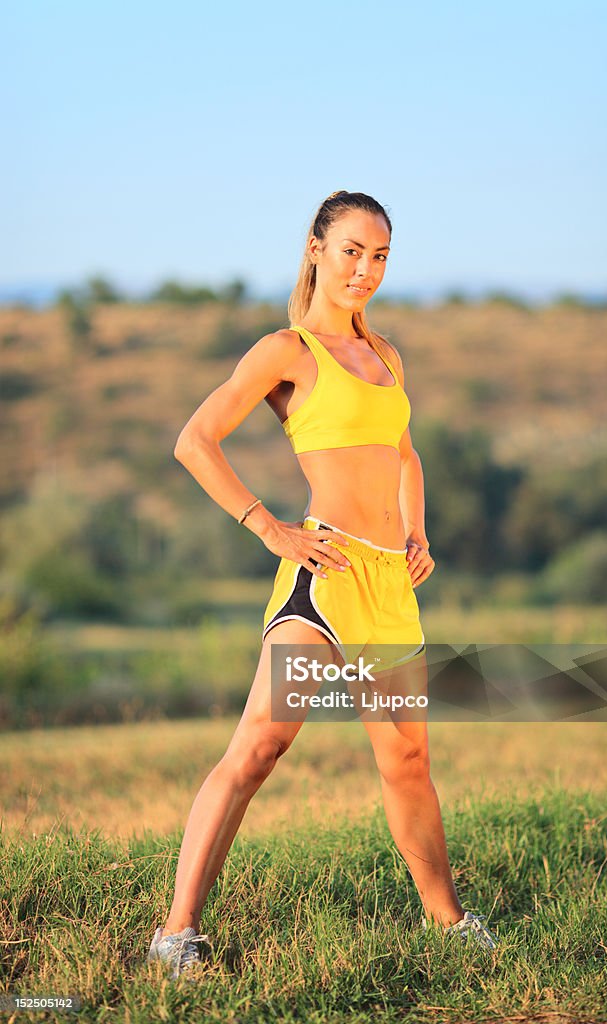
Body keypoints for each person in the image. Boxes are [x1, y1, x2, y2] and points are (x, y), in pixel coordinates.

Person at [147, 190, 497, 978]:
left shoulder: (386, 355)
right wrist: (268, 527)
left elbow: (401, 453)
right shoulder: (286, 351)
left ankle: (448, 924)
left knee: (407, 763)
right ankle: (176, 934)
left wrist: (416, 531)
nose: (364, 270)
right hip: (324, 576)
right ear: (314, 249)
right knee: (260, 746)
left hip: (386, 587)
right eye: (350, 252)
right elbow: (193, 440)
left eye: (378, 257)